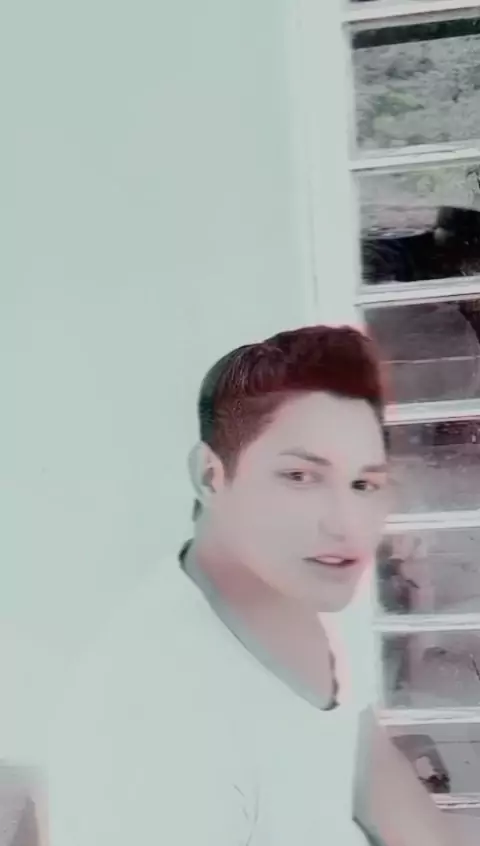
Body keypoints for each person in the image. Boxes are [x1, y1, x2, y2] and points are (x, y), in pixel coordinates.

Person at [45, 324, 457, 846]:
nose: (346, 523)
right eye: (300, 477)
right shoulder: (155, 723)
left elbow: (372, 773)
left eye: (363, 484)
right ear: (211, 477)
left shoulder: (293, 596)